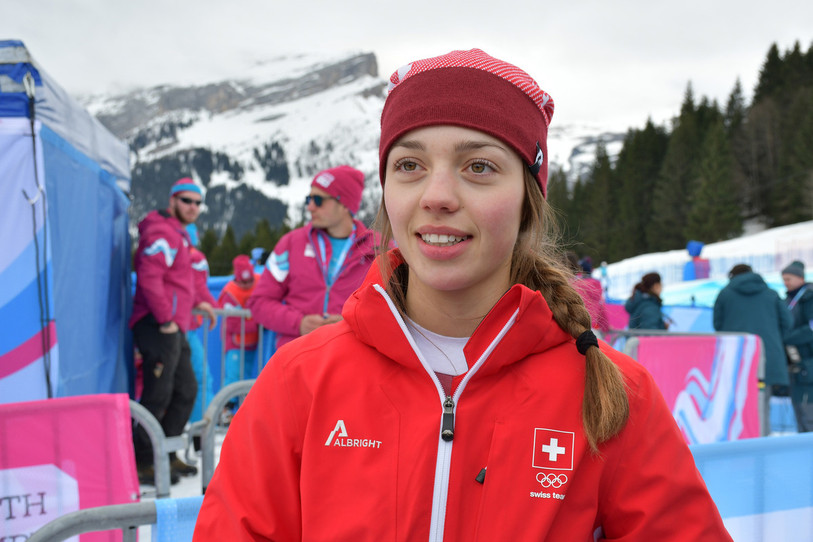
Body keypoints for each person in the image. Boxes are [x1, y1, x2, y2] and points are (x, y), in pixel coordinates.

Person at [194, 48, 729, 540]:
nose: (437, 196)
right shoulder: (299, 381)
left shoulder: (611, 391)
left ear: (527, 201)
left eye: (479, 167)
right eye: (409, 165)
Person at [130, 178, 216, 485]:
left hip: (173, 326)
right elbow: (150, 276)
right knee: (158, 393)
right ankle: (142, 460)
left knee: (186, 391)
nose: (192, 207)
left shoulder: (178, 235)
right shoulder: (162, 231)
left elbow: (182, 283)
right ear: (172, 201)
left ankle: (164, 454)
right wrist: (166, 318)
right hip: (157, 325)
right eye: (186, 201)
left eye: (197, 202)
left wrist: (201, 303)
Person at [246, 165, 379, 351]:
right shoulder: (291, 244)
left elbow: (400, 311)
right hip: (296, 359)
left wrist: (355, 321)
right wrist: (299, 323)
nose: (309, 207)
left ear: (344, 204)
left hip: (353, 361)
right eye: (309, 199)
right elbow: (259, 303)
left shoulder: (379, 249)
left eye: (318, 200)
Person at [713, 264, 793, 401]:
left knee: (738, 404)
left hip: (736, 356)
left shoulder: (724, 294)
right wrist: (775, 339)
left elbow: (717, 325)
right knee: (762, 402)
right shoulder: (770, 294)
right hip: (767, 354)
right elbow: (787, 322)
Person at [186, 223, 217, 428]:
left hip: (181, 326)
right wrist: (213, 307)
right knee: (202, 379)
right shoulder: (194, 256)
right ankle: (201, 433)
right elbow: (198, 286)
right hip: (182, 327)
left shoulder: (184, 252)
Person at [217, 254, 261, 387]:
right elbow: (233, 325)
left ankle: (241, 407)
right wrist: (260, 322)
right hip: (235, 345)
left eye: (250, 281)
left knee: (246, 379)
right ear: (237, 279)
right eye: (244, 282)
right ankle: (226, 407)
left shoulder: (260, 282)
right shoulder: (229, 294)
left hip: (252, 344)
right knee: (233, 378)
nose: (248, 285)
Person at [781, 260, 813, 432]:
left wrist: (788, 338)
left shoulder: (809, 297)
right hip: (796, 365)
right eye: (783, 279)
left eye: (789, 279)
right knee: (800, 413)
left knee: (808, 414)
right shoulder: (788, 299)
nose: (785, 283)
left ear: (800, 278)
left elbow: (810, 329)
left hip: (808, 363)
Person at [576, 256, 610, 332]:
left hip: (576, 327)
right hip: (591, 328)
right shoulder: (596, 285)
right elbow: (601, 307)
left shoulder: (576, 284)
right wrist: (606, 327)